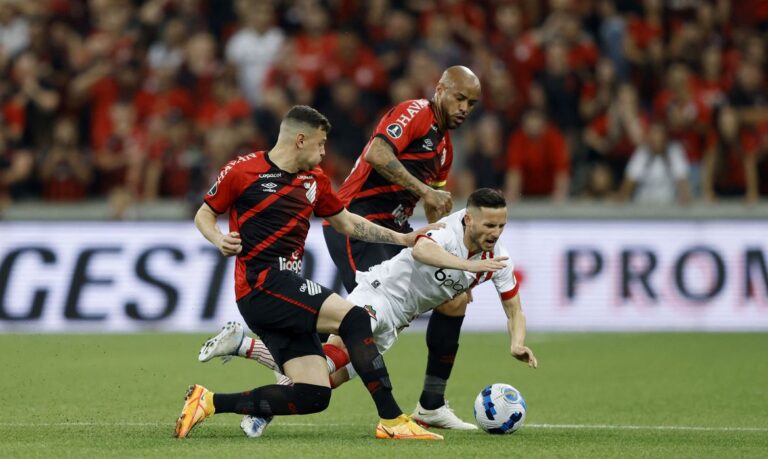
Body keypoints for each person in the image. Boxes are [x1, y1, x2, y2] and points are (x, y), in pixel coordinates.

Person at [174, 105, 443, 441]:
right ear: (300, 140)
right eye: (320, 143)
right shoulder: (242, 171)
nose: (324, 151)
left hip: (284, 291)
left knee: (314, 394)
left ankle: (209, 401)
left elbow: (346, 223)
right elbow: (204, 214)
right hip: (262, 286)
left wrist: (402, 238)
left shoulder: (315, 180)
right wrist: (219, 239)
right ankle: (392, 419)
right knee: (355, 319)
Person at [201, 188, 538, 437]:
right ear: (468, 219)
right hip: (380, 295)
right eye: (489, 225)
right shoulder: (449, 232)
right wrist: (467, 266)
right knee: (325, 365)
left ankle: (246, 357)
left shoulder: (498, 258)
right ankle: (244, 357)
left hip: (399, 319)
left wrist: (517, 343)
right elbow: (421, 250)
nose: (495, 233)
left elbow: (514, 309)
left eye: (501, 226)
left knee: (325, 380)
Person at [322, 65, 482, 430]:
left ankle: (432, 404)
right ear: (440, 89)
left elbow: (434, 207)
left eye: (471, 104)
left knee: (453, 299)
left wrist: (452, 262)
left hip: (397, 232)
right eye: (459, 98)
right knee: (362, 327)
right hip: (357, 225)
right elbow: (378, 153)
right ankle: (281, 390)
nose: (464, 108)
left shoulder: (444, 148)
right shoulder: (415, 112)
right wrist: (425, 191)